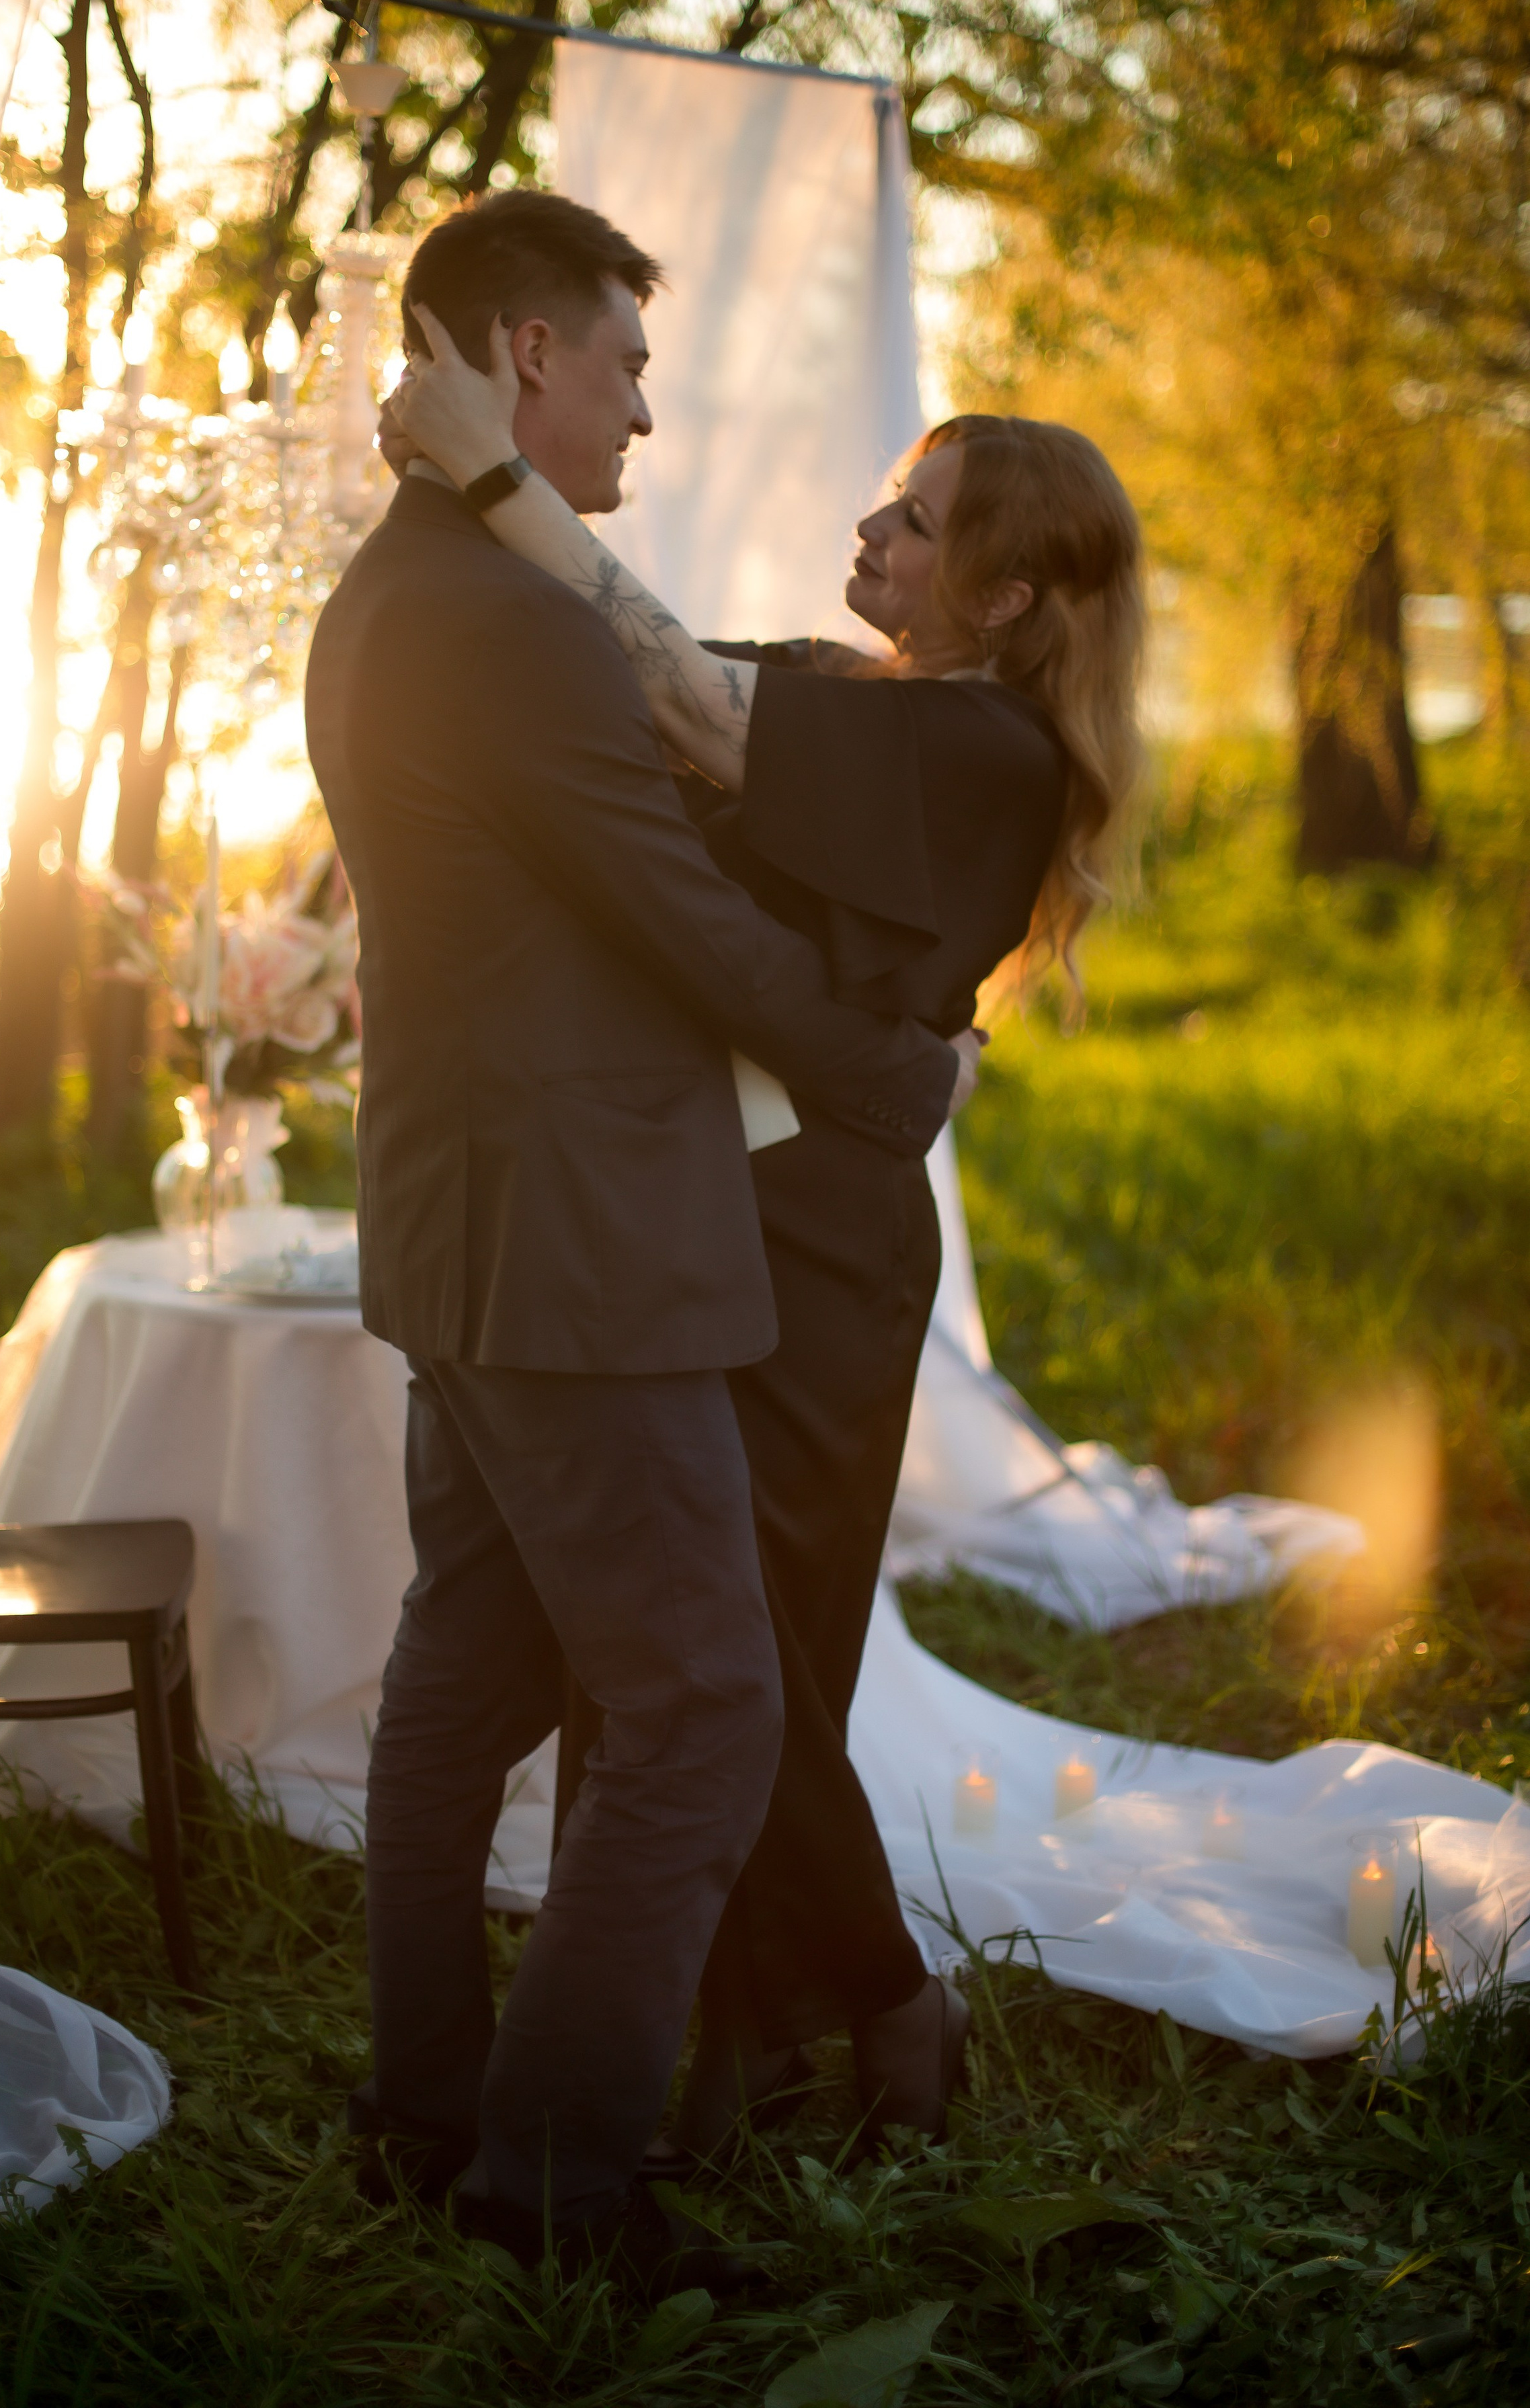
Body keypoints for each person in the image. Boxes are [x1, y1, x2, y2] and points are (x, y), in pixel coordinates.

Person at [388, 312, 1145, 2158]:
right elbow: (606, 678)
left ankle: (879, 1998)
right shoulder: (864, 694)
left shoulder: (985, 753)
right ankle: (715, 2059)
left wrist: (489, 466)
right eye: (887, 507)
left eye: (921, 520)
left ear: (1017, 591)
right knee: (657, 1657)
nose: (875, 536)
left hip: (816, 1238)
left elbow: (671, 702)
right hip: (680, 1202)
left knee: (746, 1670)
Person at [303, 192, 961, 2282]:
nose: (647, 417)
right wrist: (884, 1068)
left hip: (465, 1226)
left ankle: (425, 2110)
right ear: (523, 354)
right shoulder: (507, 628)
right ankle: (560, 2186)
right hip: (579, 1247)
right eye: (627, 366)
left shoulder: (396, 596)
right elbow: (675, 920)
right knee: (699, 1711)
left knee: (460, 1691)